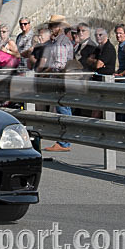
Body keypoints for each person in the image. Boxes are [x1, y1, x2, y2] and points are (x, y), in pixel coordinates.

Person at [30, 19, 74, 152]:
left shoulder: (61, 43)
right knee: (63, 108)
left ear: (59, 27)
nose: (50, 28)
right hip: (60, 78)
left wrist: (46, 72)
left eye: (52, 26)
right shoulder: (58, 41)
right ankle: (64, 140)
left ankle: (64, 142)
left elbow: (59, 64)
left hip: (61, 79)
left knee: (63, 109)